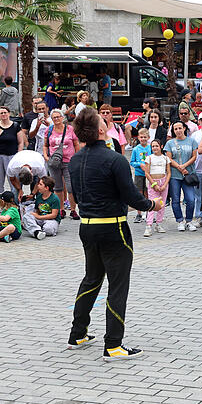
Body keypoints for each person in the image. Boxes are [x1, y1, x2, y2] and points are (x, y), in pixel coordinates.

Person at [67, 107, 161, 360]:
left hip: (87, 226)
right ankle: (113, 344)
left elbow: (76, 193)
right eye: (103, 120)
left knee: (91, 279)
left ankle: (77, 334)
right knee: (118, 285)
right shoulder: (115, 160)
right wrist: (152, 205)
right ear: (100, 130)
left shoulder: (75, 160)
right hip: (113, 227)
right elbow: (131, 197)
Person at [44, 109, 80, 220]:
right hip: (54, 162)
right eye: (54, 117)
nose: (56, 119)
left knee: (70, 187)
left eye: (58, 117)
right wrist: (46, 157)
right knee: (57, 187)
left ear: (62, 117)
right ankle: (61, 209)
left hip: (69, 161)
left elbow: (76, 144)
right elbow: (45, 145)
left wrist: (76, 157)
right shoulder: (49, 130)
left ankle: (73, 210)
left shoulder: (70, 129)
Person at [165, 122, 199, 232]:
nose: (178, 130)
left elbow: (194, 156)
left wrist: (184, 166)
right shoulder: (170, 143)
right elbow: (169, 159)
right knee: (175, 199)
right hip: (175, 175)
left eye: (180, 128)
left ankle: (189, 220)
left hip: (188, 174)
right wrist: (179, 167)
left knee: (191, 199)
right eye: (176, 129)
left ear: (184, 128)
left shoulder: (192, 141)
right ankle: (180, 220)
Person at [0, 106, 26, 200]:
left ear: (9, 113)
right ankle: (0, 202)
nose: (3, 115)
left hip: (12, 157)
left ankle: (15, 201)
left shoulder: (15, 126)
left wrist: (19, 155)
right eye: (1, 113)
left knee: (14, 181)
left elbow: (20, 142)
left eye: (5, 112)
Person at [142, 140, 170, 237]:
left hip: (163, 182)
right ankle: (148, 225)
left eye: (156, 146)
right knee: (152, 204)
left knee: (162, 204)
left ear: (161, 146)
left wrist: (165, 184)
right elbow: (147, 173)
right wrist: (154, 184)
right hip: (153, 182)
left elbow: (168, 173)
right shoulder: (149, 158)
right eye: (153, 146)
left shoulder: (165, 158)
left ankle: (158, 223)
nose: (155, 148)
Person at [129, 130, 151, 224]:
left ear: (148, 138)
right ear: (138, 138)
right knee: (139, 193)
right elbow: (132, 162)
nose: (143, 139)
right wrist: (139, 164)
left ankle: (149, 213)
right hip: (139, 174)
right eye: (141, 137)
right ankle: (139, 213)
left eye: (145, 137)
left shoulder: (150, 148)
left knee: (148, 193)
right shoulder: (136, 149)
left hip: (149, 174)